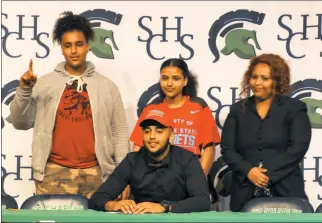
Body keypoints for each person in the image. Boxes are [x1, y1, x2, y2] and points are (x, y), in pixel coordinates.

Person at [7, 11, 129, 199]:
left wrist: (122, 178)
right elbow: (19, 123)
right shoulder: (45, 83)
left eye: (79, 44)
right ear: (61, 48)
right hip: (53, 175)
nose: (73, 51)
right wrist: (24, 89)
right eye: (68, 45)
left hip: (97, 175)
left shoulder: (107, 87)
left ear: (88, 46)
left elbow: (119, 133)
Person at [221, 53, 312, 212]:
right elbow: (228, 150)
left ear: (277, 81)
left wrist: (265, 174)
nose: (257, 83)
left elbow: (298, 147)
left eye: (264, 78)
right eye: (254, 77)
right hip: (244, 191)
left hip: (287, 190)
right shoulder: (237, 110)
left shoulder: (294, 108)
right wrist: (249, 171)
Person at [88, 109, 211, 214]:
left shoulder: (188, 159)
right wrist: (113, 205)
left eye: (159, 131)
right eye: (147, 131)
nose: (152, 136)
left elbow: (202, 201)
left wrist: (165, 207)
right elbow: (97, 198)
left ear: (171, 135)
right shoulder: (132, 160)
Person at [130, 58, 221, 176]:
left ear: (185, 81)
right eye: (165, 78)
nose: (169, 83)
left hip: (188, 179)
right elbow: (138, 147)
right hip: (154, 180)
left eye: (176, 78)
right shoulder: (151, 109)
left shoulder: (199, 107)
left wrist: (198, 180)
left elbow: (209, 147)